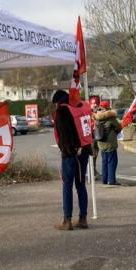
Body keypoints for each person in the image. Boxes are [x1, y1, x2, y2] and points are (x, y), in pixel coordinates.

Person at [52, 90, 92, 230]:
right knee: (81, 185)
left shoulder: (62, 111)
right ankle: (83, 218)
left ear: (58, 102)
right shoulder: (81, 107)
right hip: (84, 150)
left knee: (67, 186)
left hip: (70, 154)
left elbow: (63, 134)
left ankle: (67, 221)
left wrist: (66, 150)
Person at [95, 101, 122, 186]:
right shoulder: (111, 118)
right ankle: (112, 180)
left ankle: (105, 180)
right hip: (110, 143)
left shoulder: (97, 117)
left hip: (101, 143)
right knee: (112, 162)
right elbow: (118, 127)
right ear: (108, 108)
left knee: (104, 162)